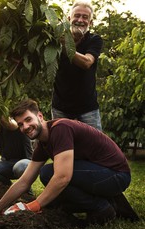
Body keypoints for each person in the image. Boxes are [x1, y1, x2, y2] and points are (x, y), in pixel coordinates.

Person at [0, 99, 138, 225]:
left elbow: (63, 177)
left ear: (40, 116)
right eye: (20, 124)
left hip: (116, 175)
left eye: (28, 119)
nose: (25, 126)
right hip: (101, 175)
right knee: (50, 183)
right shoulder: (43, 144)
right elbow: (24, 181)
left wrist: (33, 206)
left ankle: (102, 208)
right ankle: (101, 203)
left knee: (49, 173)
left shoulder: (60, 129)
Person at [52, 1, 103, 131]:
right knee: (62, 146)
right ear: (69, 19)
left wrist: (64, 45)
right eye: (77, 16)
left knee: (96, 147)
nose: (80, 20)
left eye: (85, 17)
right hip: (60, 108)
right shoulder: (54, 40)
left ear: (90, 23)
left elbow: (87, 62)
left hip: (88, 109)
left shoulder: (94, 40)